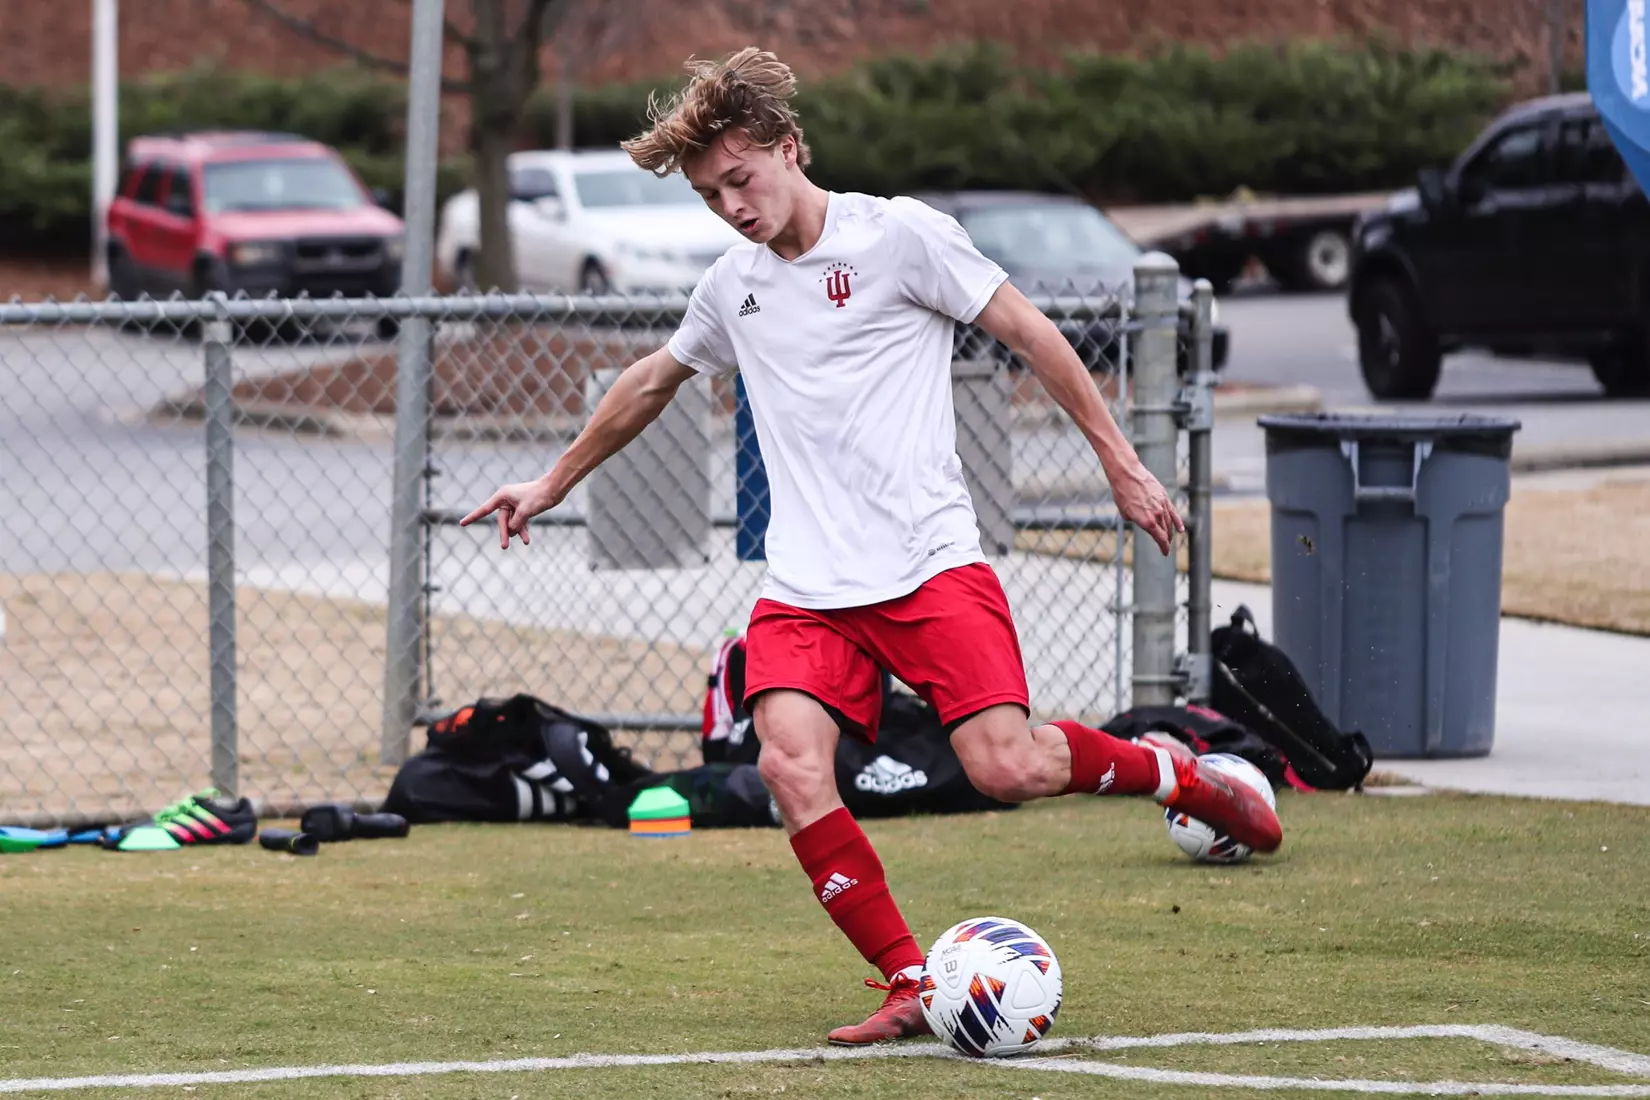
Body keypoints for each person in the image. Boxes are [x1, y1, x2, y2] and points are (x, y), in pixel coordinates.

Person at [461, 46, 1283, 1046]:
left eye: (741, 180)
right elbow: (649, 380)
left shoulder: (899, 238)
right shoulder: (734, 285)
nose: (731, 207)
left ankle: (1179, 775)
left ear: (790, 147)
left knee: (1006, 768)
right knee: (789, 766)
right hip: (808, 588)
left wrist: (1120, 459)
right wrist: (550, 481)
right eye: (712, 195)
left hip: (931, 564)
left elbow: (1032, 333)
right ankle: (907, 978)